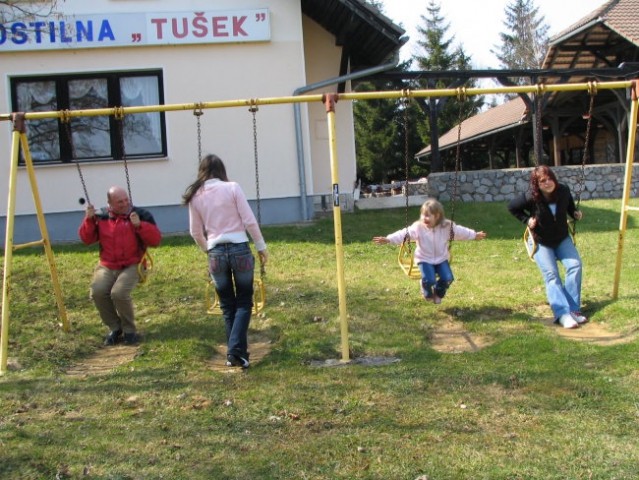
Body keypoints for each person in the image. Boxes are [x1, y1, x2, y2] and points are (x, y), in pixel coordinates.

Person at [183, 154, 268, 369]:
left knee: (227, 305)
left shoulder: (195, 196)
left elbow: (195, 232)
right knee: (244, 300)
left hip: (216, 253)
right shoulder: (232, 188)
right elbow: (249, 220)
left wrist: (207, 249)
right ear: (222, 170)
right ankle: (236, 351)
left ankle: (235, 354)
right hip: (239, 248)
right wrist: (260, 246)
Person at [78, 186, 162, 345]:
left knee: (118, 293)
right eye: (119, 202)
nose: (124, 204)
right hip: (108, 265)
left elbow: (156, 241)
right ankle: (115, 328)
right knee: (98, 292)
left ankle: (129, 330)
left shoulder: (140, 215)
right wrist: (88, 220)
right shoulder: (101, 217)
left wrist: (139, 226)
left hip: (133, 264)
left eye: (126, 200)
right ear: (109, 203)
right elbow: (86, 239)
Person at [508, 165, 587, 329]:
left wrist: (575, 214)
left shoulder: (563, 191)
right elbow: (512, 207)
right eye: (543, 181)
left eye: (550, 178)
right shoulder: (532, 197)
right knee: (552, 274)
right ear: (536, 184)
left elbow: (570, 207)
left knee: (575, 266)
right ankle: (562, 313)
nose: (548, 183)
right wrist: (526, 220)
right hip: (541, 241)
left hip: (561, 238)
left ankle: (574, 310)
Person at [373, 198, 486, 304]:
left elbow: (460, 232)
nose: (424, 218)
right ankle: (426, 290)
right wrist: (389, 239)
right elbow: (404, 234)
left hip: (441, 259)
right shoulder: (418, 227)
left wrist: (473, 235)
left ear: (438, 216)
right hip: (424, 259)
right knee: (429, 279)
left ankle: (438, 293)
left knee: (448, 278)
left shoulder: (446, 226)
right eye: (423, 215)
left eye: (428, 216)